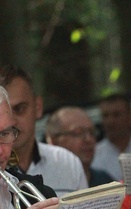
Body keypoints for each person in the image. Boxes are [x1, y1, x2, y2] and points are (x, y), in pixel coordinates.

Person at [0, 65, 86, 196]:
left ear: (38, 107)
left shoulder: (67, 162)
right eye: (5, 113)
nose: (12, 122)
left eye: (19, 109)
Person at [45, 106, 115, 187]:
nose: (88, 139)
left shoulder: (104, 181)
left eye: (92, 132)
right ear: (53, 141)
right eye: (78, 133)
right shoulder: (43, 186)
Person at [92, 94, 131, 181]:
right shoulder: (94, 155)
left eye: (116, 115)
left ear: (130, 117)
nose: (110, 121)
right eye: (105, 116)